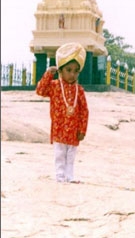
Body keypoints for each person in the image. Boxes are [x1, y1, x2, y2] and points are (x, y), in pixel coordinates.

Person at [36, 42, 89, 183]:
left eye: (76, 71)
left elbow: (84, 111)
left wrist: (82, 129)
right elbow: (40, 91)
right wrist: (48, 74)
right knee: (59, 154)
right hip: (59, 129)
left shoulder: (80, 90)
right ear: (60, 71)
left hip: (73, 131)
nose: (72, 74)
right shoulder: (54, 86)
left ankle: (70, 177)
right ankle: (60, 177)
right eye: (69, 70)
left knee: (71, 156)